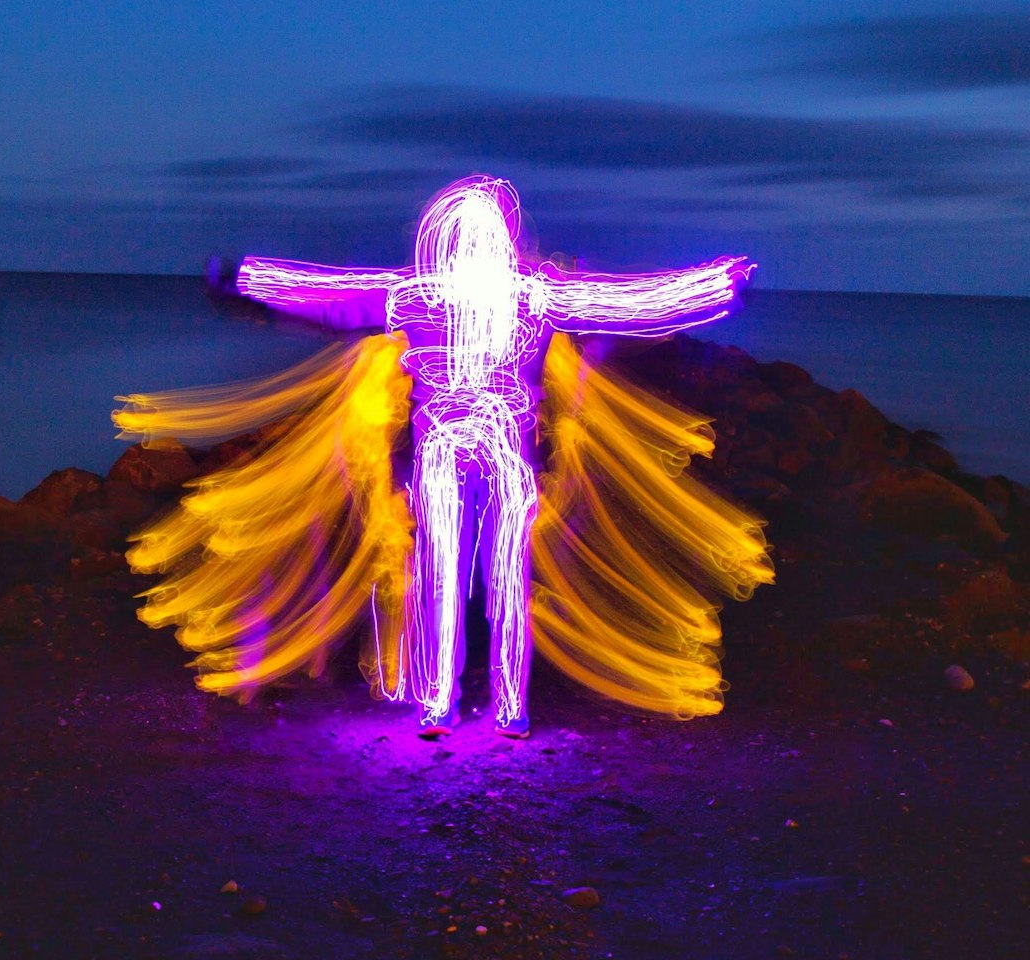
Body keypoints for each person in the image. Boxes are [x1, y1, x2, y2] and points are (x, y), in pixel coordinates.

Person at [115, 175, 771, 737]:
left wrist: (715, 284)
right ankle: (464, 702)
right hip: (464, 454)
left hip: (491, 454)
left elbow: (625, 302)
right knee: (459, 574)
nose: (478, 247)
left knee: (482, 575)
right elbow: (335, 293)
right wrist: (252, 277)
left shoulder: (498, 297)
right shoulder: (451, 296)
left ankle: (472, 702)